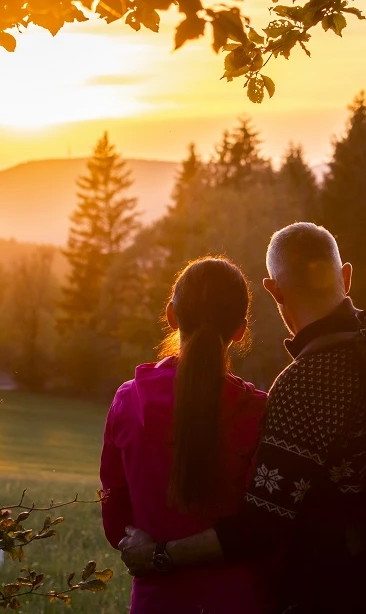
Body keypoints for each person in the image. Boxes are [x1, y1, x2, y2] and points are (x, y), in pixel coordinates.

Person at [120, 223, 366, 614]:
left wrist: (159, 556)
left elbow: (262, 525)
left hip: (338, 592)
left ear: (274, 290)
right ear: (346, 276)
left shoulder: (304, 383)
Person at [99, 256, 269, 614]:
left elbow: (116, 520)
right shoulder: (259, 413)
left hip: (156, 602)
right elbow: (259, 527)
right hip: (236, 602)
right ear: (240, 330)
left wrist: (149, 548)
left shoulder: (127, 401)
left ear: (171, 315)